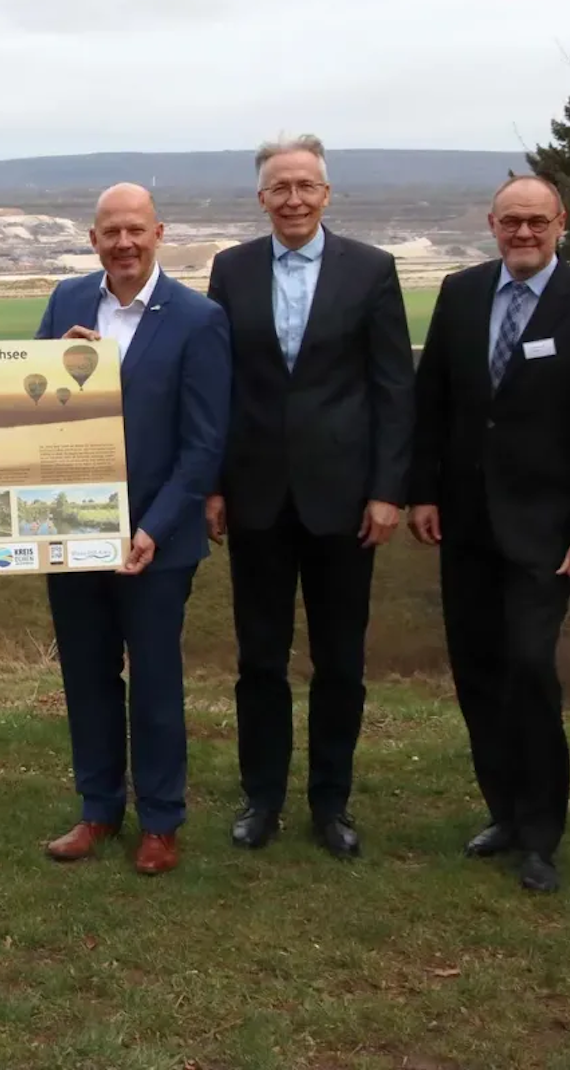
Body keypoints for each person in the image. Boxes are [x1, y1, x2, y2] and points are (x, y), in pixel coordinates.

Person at [407, 174, 570, 894]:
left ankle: (541, 833)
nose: (525, 233)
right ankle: (502, 810)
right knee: (477, 672)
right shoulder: (462, 293)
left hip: (546, 530)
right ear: (492, 224)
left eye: (538, 221)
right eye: (512, 222)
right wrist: (421, 491)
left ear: (561, 222)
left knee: (530, 668)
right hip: (465, 523)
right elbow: (432, 401)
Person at [204, 135, 415, 859]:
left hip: (344, 500)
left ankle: (332, 801)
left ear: (327, 194)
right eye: (279, 187)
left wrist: (389, 490)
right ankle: (261, 797)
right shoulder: (230, 269)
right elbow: (216, 385)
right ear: (260, 197)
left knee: (340, 661)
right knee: (259, 660)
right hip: (257, 495)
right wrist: (214, 485)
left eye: (305, 185)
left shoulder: (373, 271)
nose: (293, 198)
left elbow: (394, 388)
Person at [37, 183, 230, 875]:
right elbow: (29, 402)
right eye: (110, 231)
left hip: (158, 536)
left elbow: (204, 442)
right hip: (71, 528)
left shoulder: (199, 318)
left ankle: (161, 820)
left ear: (159, 233)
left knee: (154, 680)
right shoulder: (65, 301)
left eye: (135, 230)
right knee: (87, 675)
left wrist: (155, 525)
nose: (123, 243)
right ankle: (97, 808)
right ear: (93, 239)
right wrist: (52, 362)